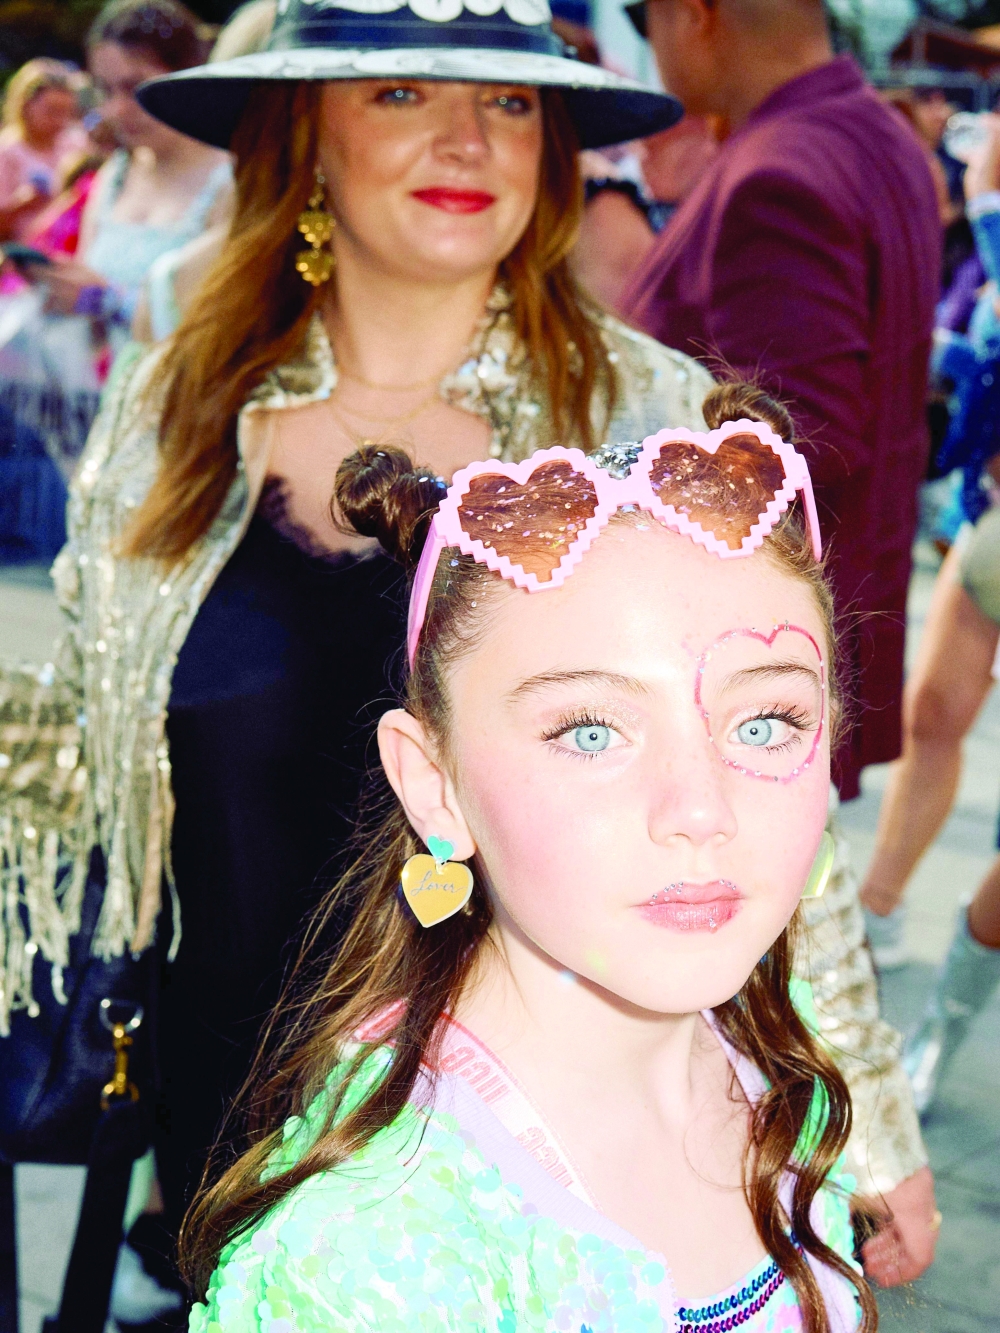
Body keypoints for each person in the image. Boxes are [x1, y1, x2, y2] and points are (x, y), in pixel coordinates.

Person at [1, 0, 708, 1314]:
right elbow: (94, 754)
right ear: (303, 138)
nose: (466, 137)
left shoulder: (645, 421)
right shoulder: (175, 413)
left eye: (508, 103)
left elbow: (758, 787)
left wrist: (868, 1118)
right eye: (398, 95)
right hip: (222, 1119)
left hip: (543, 1143)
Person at [183, 384, 877, 1332]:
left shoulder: (771, 1059)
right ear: (434, 784)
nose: (701, 811)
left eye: (765, 722)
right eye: (591, 733)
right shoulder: (370, 1262)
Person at [617, 0, 942, 1288]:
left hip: (726, 701)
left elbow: (786, 465)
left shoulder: (778, 174)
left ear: (693, 18)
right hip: (792, 679)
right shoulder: (863, 137)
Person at [0, 59, 86, 242]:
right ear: (25, 106)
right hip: (22, 256)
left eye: (66, 112)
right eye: (51, 111)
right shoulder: (6, 152)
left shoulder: (77, 145)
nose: (59, 121)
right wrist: (21, 205)